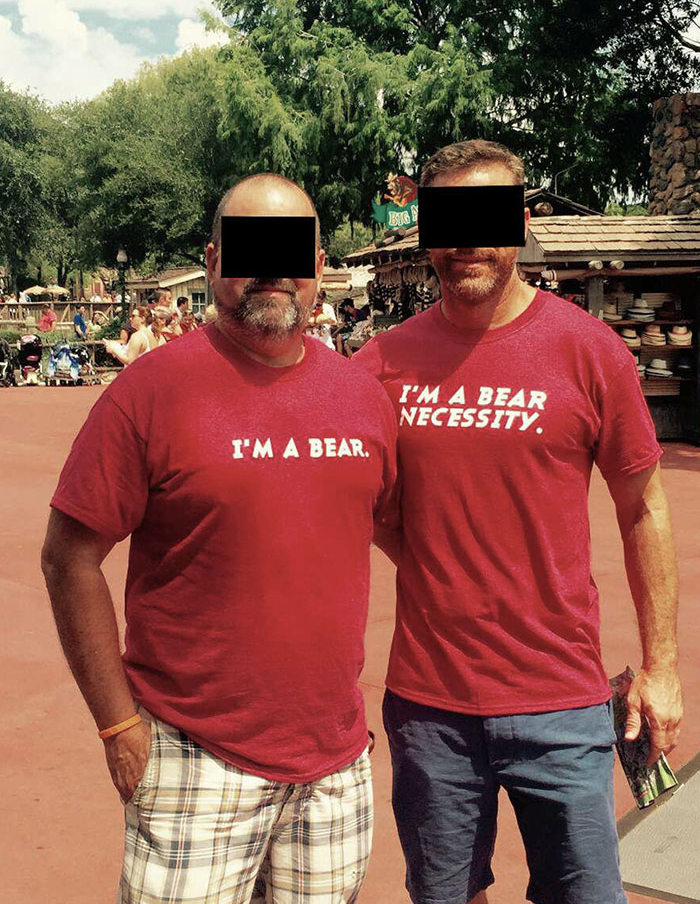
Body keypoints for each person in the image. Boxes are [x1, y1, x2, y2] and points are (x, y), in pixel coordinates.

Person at [41, 172, 397, 904]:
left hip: (332, 766)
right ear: (212, 261)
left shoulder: (363, 397)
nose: (272, 270)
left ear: (318, 267)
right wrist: (116, 724)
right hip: (192, 758)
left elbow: (394, 529)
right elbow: (68, 556)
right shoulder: (151, 391)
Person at [353, 139, 682, 904]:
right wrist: (437, 560)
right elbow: (367, 503)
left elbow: (643, 506)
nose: (466, 241)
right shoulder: (381, 366)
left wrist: (663, 667)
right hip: (431, 707)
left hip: (561, 702)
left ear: (522, 223)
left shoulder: (589, 350)